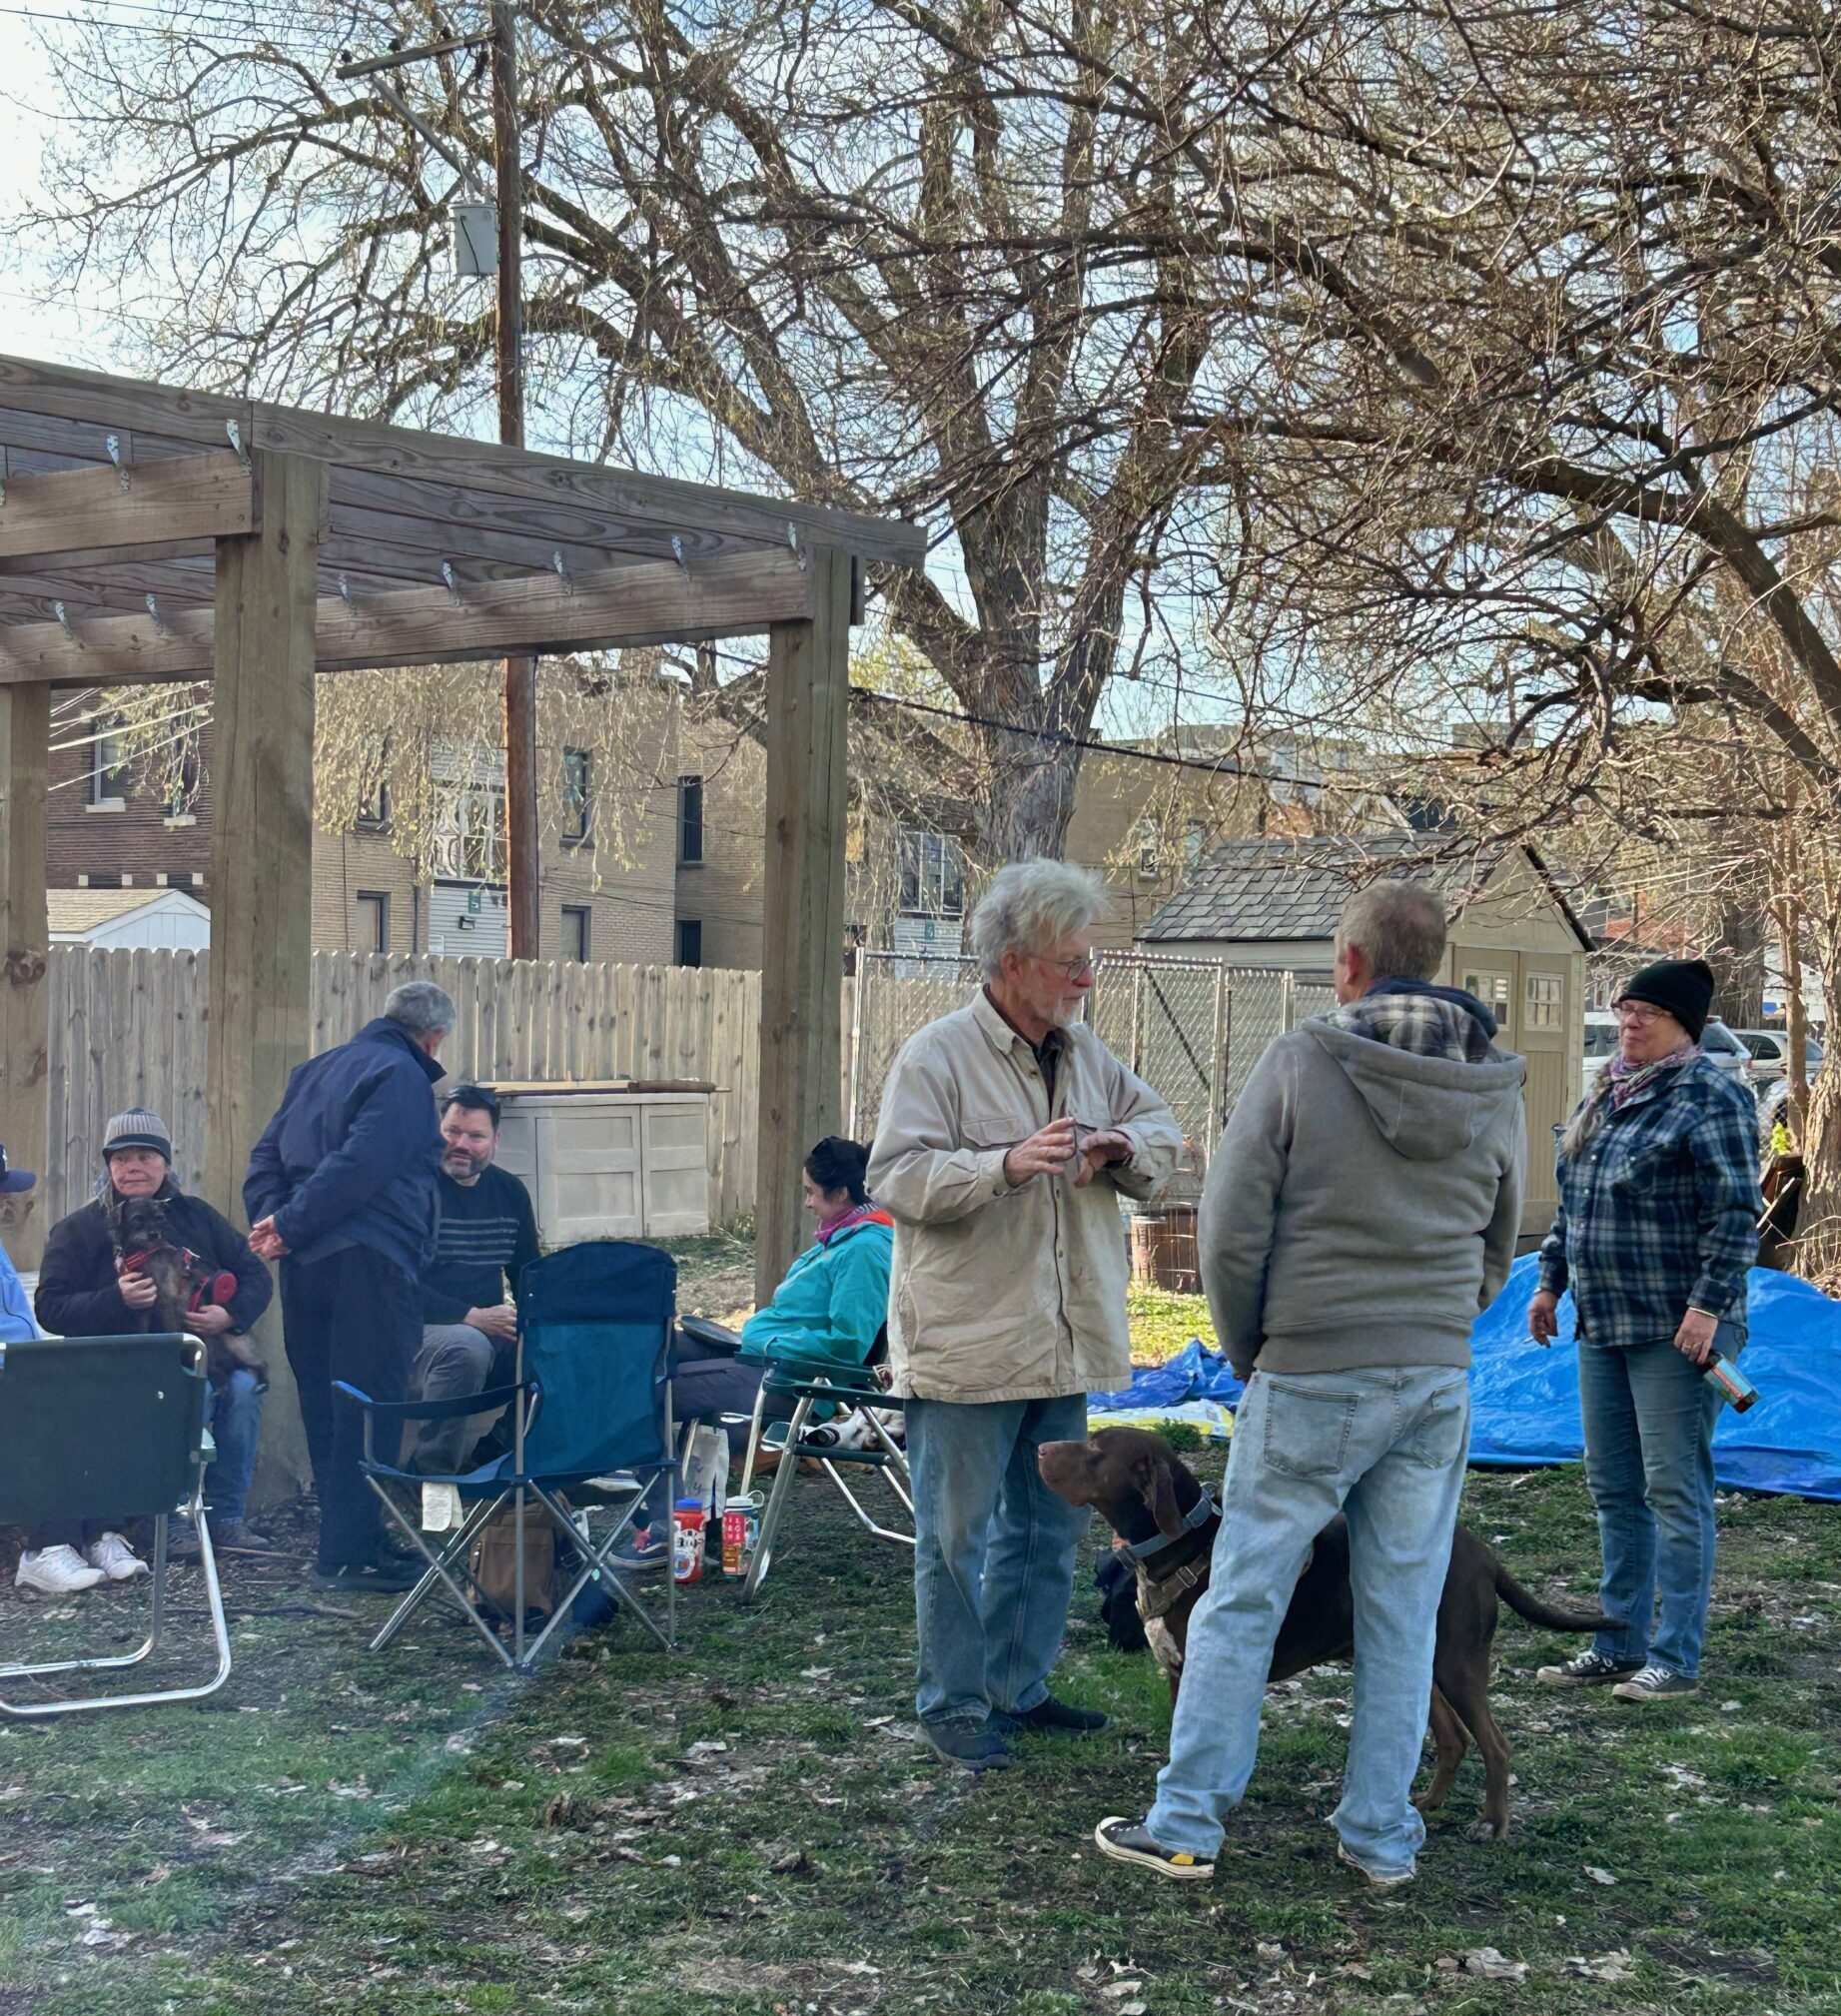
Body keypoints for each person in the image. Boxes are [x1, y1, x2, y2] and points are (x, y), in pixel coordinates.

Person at [1096, 881, 1525, 1887]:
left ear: (1348, 963)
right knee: (1399, 1612)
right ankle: (1380, 1837)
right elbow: (1497, 1240)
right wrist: (1437, 1325)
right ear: (1442, 965)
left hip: (1310, 1367)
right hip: (1431, 1378)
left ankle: (1187, 1819)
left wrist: (1253, 1350)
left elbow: (1229, 1225)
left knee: (1241, 1597)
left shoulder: (1300, 1058)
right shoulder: (1493, 1084)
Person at [868, 859, 1182, 1771]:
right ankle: (954, 1704)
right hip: (968, 1345)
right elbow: (895, 1177)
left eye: (1089, 960)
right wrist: (1002, 1165)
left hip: (1062, 1341)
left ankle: (1018, 1686)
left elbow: (1163, 1133)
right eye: (1069, 962)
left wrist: (1120, 1144)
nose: (1086, 978)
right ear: (1012, 963)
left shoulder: (1087, 1055)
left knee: (1048, 1533)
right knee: (956, 1539)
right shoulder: (936, 1057)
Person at [1528, 958, 1761, 1703]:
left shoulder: (1711, 1096)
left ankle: (1675, 1658)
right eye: (1624, 1009)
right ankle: (1615, 1641)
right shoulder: (1606, 1090)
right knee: (1614, 1488)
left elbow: (1733, 1217)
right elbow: (1576, 1202)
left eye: (1646, 1015)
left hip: (1679, 1331)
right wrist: (1547, 1283)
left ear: (1681, 1027)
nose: (1628, 1023)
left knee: (1673, 1491)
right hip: (1602, 1322)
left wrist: (1705, 1308)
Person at [244, 982, 451, 1591]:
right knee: (369, 1406)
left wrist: (278, 1223)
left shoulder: (313, 1071)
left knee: (325, 1406)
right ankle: (350, 1556)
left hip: (305, 1267)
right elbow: (365, 1164)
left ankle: (347, 1543)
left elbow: (264, 1159)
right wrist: (290, 1223)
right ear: (433, 1037)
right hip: (373, 1260)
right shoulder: (405, 1075)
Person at [23, 1108, 274, 1595]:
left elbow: (255, 1273)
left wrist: (232, 1315)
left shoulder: (198, 1217)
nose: (133, 1167)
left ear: (164, 1163)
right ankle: (173, 1521)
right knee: (184, 1399)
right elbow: (51, 1307)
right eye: (122, 1158)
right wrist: (114, 1299)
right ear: (109, 1166)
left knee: (244, 1388)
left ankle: (227, 1517)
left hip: (206, 1355)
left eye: (145, 1156)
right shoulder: (80, 1228)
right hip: (120, 1367)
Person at [616, 1136, 894, 1570]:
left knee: (647, 1391)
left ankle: (668, 1527)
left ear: (841, 1194)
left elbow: (848, 1344)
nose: (806, 1203)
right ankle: (682, 1507)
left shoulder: (865, 1249)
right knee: (653, 1350)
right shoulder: (841, 1237)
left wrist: (766, 1344)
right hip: (771, 1363)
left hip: (797, 1381)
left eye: (811, 1192)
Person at [410, 1084, 540, 1475]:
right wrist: (471, 1316)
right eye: (452, 1132)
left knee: (558, 1345)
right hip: (409, 1339)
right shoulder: (412, 1191)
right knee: (466, 1346)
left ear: (496, 1140)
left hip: (486, 1333)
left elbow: (528, 1275)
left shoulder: (510, 1192)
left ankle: (497, 1453)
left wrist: (541, 1323)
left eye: (476, 1136)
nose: (462, 1144)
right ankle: (429, 1476)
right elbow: (392, 1287)